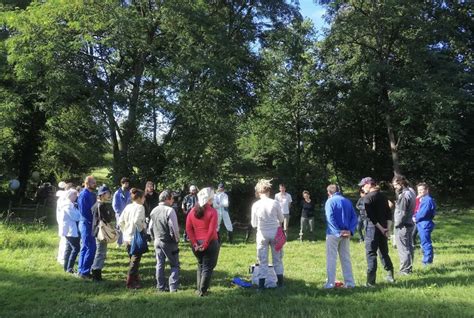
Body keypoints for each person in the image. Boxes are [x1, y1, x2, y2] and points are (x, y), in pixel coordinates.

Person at [358, 177, 395, 286]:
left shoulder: (367, 198)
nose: (362, 187)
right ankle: (390, 276)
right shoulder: (383, 196)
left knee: (371, 253)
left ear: (369, 185)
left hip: (372, 229)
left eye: (363, 185)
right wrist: (387, 229)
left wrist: (381, 228)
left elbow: (371, 217)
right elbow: (389, 213)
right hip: (383, 228)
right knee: (384, 252)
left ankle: (370, 282)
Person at [251, 179, 285, 291]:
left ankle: (261, 287)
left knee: (262, 260)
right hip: (275, 233)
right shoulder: (275, 203)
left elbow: (254, 224)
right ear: (269, 191)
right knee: (277, 260)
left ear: (258, 192)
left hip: (262, 234)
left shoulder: (256, 205)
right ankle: (280, 285)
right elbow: (281, 219)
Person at [186, 187, 219, 297]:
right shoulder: (212, 211)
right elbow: (211, 230)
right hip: (210, 243)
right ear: (209, 198)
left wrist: (195, 243)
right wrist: (205, 244)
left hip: (196, 244)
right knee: (207, 267)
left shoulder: (192, 211)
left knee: (200, 265)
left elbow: (188, 229)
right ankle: (203, 291)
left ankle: (199, 289)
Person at [324, 184, 358, 289]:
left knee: (331, 258)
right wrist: (350, 231)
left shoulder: (329, 201)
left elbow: (330, 218)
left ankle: (330, 283)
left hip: (333, 233)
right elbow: (354, 217)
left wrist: (338, 232)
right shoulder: (347, 201)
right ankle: (350, 283)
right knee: (346, 258)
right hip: (346, 233)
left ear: (329, 193)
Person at [149, 190, 180, 292]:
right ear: (167, 199)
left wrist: (154, 238)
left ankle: (160, 287)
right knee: (174, 264)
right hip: (169, 241)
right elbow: (174, 228)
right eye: (172, 198)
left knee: (159, 264)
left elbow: (150, 228)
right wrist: (177, 239)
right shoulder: (170, 211)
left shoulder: (153, 210)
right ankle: (173, 287)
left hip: (157, 240)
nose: (173, 200)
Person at [119, 188, 147, 289]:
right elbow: (137, 221)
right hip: (135, 237)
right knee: (135, 261)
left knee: (132, 259)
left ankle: (135, 278)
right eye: (144, 197)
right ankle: (130, 282)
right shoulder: (140, 207)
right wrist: (143, 228)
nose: (144, 199)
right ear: (139, 198)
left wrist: (125, 231)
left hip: (126, 237)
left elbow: (120, 221)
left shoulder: (128, 207)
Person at [392, 175, 416, 275]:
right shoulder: (412, 191)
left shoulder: (404, 195)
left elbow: (401, 213)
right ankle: (409, 268)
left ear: (401, 183)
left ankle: (404, 270)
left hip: (403, 225)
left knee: (403, 248)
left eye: (395, 185)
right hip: (410, 223)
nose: (395, 187)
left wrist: (396, 224)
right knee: (409, 246)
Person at [91, 185, 114, 282]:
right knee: (100, 253)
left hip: (97, 231)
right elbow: (107, 219)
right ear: (103, 194)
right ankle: (96, 275)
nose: (109, 195)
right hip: (101, 232)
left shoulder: (96, 204)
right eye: (108, 193)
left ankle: (96, 272)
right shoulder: (101, 205)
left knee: (100, 252)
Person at [77, 176, 98, 279]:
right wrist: (94, 221)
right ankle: (84, 271)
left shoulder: (92, 194)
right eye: (93, 183)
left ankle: (82, 270)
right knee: (90, 247)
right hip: (86, 224)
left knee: (86, 247)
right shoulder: (83, 195)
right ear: (87, 183)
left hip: (90, 223)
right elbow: (84, 212)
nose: (95, 184)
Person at [415, 182, 436, 267]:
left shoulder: (427, 200)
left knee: (426, 243)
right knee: (423, 243)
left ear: (427, 190)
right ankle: (426, 261)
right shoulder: (423, 199)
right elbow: (416, 209)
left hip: (425, 223)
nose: (419, 192)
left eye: (421, 190)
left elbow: (423, 213)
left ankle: (427, 262)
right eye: (418, 190)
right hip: (422, 223)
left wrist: (415, 218)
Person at [60, 189, 81, 274]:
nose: (76, 197)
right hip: (70, 230)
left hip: (70, 229)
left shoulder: (71, 204)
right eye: (75, 195)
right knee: (76, 248)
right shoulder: (67, 205)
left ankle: (66, 267)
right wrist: (80, 214)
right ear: (70, 196)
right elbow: (75, 217)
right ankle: (69, 268)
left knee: (69, 248)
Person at [112, 177, 131, 247]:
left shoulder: (129, 193)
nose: (127, 185)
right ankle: (119, 243)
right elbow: (114, 205)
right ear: (122, 184)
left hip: (127, 213)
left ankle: (126, 242)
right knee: (119, 228)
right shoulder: (117, 193)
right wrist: (119, 213)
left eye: (128, 183)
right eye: (125, 183)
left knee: (127, 228)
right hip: (119, 214)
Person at [56, 181, 68, 265]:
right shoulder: (63, 200)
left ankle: (60, 257)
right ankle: (62, 258)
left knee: (63, 240)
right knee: (64, 240)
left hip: (62, 221)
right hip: (64, 222)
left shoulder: (61, 199)